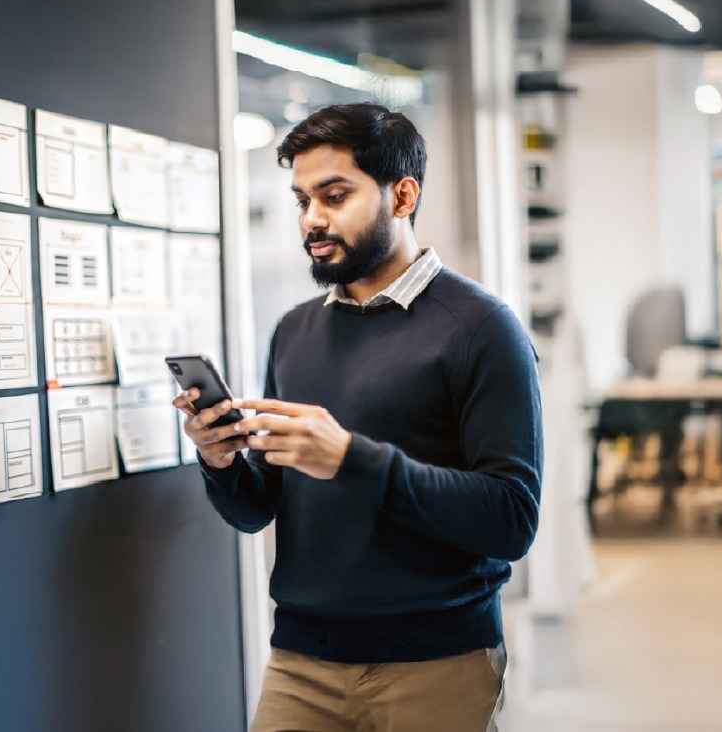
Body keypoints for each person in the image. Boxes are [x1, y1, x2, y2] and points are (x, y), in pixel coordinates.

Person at [173, 103, 543, 732]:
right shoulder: (294, 331)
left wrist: (351, 458)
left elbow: (510, 518)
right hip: (301, 661)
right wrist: (220, 459)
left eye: (334, 195)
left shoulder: (483, 328)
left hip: (437, 659)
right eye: (302, 200)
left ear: (402, 195)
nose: (312, 219)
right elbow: (257, 508)